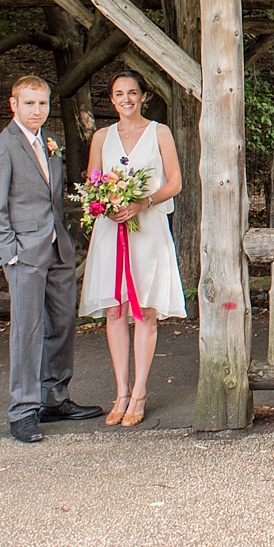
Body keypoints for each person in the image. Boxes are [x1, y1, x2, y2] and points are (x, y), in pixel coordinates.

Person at [0, 75, 102, 443]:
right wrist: (11, 253)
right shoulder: (2, 147)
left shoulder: (50, 143)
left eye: (43, 103)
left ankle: (54, 397)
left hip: (57, 248)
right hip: (25, 254)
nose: (37, 110)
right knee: (28, 331)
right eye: (29, 103)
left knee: (62, 324)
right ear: (13, 104)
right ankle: (23, 411)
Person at [78, 70, 185, 428]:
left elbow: (175, 182)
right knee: (114, 310)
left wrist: (142, 202)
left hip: (147, 228)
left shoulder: (159, 132)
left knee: (145, 310)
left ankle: (140, 391)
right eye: (119, 93)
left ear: (143, 97)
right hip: (113, 230)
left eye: (133, 93)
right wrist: (108, 202)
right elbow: (93, 182)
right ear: (111, 99)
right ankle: (121, 390)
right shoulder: (101, 137)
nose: (126, 99)